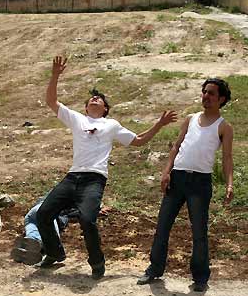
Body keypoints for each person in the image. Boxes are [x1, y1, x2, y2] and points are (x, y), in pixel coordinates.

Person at [36, 56, 177, 280]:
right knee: (43, 214)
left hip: (94, 179)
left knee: (87, 220)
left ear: (105, 109)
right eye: (92, 98)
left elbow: (138, 140)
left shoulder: (111, 125)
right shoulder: (77, 119)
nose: (95, 99)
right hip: (72, 177)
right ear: (85, 107)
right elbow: (52, 102)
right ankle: (54, 253)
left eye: (99, 99)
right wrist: (55, 75)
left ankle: (97, 262)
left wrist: (159, 124)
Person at [137, 78, 234, 291]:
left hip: (200, 183)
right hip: (178, 178)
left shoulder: (224, 127)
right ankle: (154, 269)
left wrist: (229, 184)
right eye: (204, 92)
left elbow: (227, 158)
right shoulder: (191, 119)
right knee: (163, 226)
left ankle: (200, 278)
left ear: (221, 99)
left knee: (199, 231)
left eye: (211, 94)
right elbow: (176, 147)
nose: (206, 97)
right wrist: (166, 171)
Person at [11, 194, 77, 265]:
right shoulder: (76, 200)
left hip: (34, 210)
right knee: (50, 233)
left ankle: (29, 242)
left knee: (33, 229)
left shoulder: (59, 191)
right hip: (49, 211)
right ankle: (40, 245)